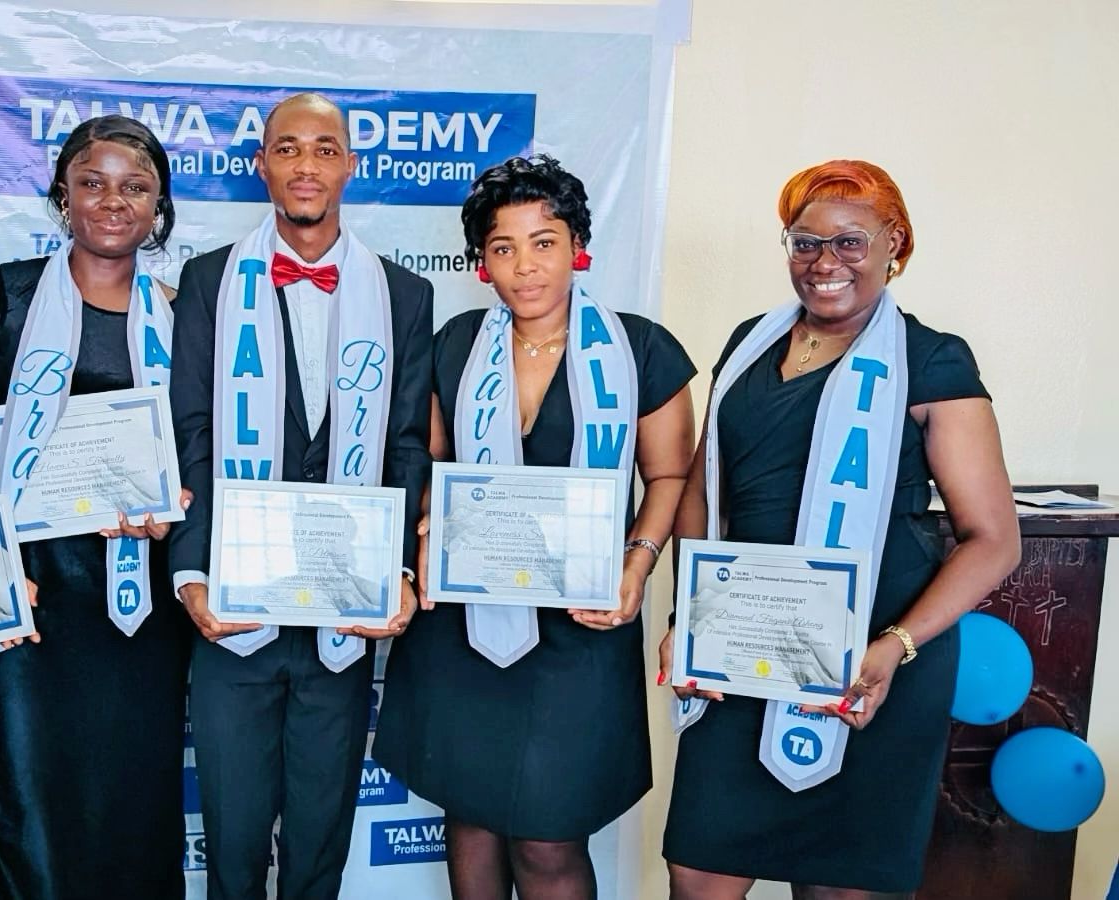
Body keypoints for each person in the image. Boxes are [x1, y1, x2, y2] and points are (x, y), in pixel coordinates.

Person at [658, 160, 1021, 899]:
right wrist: (689, 619)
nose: (824, 263)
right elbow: (700, 491)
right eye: (804, 242)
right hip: (745, 651)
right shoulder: (748, 344)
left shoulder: (931, 359)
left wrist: (896, 647)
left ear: (896, 244)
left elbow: (993, 539)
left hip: (874, 661)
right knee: (698, 870)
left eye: (850, 242)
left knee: (840, 886)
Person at [373, 155, 697, 900]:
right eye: (503, 247)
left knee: (549, 843)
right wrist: (426, 527)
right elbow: (431, 462)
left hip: (580, 627)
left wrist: (638, 564)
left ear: (576, 243)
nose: (525, 266)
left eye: (543, 241)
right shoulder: (453, 344)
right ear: (481, 262)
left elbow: (671, 478)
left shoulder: (639, 349)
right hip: (465, 630)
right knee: (473, 827)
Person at [168, 92, 433, 900]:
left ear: (350, 165)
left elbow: (405, 446)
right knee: (235, 844)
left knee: (321, 843)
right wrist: (189, 574)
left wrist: (398, 570)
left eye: (325, 148)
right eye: (288, 149)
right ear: (263, 166)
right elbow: (194, 431)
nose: (307, 165)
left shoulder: (404, 293)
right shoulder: (210, 280)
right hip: (235, 612)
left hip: (342, 618)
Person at [0, 114, 192, 900]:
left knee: (135, 801)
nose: (113, 201)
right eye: (92, 182)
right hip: (32, 600)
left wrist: (179, 502)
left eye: (135, 186)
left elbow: (197, 455)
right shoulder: (8, 299)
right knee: (28, 798)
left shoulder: (184, 315)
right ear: (62, 196)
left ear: (159, 205)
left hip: (143, 609)